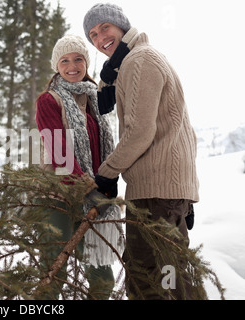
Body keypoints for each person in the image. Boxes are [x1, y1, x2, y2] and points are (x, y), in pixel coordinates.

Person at [83, 3, 200, 299]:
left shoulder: (139, 61)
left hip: (154, 197)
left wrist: (106, 176)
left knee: (150, 284)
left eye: (104, 28)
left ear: (122, 26)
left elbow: (139, 133)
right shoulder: (139, 59)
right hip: (166, 194)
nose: (99, 39)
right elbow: (181, 128)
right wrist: (183, 192)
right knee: (173, 279)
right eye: (93, 35)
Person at [35, 34, 124, 299]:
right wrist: (88, 188)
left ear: (86, 63)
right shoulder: (49, 100)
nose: (72, 65)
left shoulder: (95, 101)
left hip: (93, 198)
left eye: (78, 59)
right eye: (65, 60)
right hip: (58, 198)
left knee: (102, 278)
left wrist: (105, 186)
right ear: (56, 66)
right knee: (53, 272)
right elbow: (59, 152)